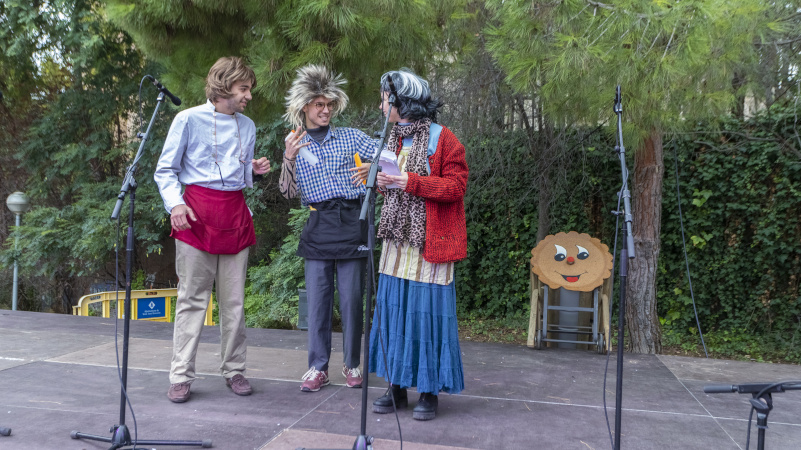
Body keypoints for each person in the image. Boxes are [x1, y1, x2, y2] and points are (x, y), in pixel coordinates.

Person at [154, 56, 271, 403]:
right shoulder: (187, 119)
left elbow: (239, 178)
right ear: (224, 86)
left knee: (234, 302)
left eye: (249, 89)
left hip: (233, 213)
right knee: (192, 299)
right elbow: (165, 170)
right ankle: (180, 375)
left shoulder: (248, 126)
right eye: (244, 88)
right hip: (195, 214)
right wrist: (175, 204)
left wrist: (253, 170)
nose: (249, 95)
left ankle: (234, 370)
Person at [356, 68, 468, 421]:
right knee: (393, 313)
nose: (380, 105)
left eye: (384, 99)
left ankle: (430, 392)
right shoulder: (390, 140)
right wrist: (377, 180)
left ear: (401, 101)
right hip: (396, 244)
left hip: (429, 245)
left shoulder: (444, 139)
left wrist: (410, 182)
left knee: (426, 317)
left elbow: (455, 188)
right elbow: (396, 183)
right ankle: (397, 386)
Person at [279, 65, 376, 392]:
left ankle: (352, 364)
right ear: (305, 106)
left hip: (351, 223)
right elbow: (289, 193)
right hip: (319, 225)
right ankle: (317, 368)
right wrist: (288, 161)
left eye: (329, 104)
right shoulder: (295, 143)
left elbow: (385, 154)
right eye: (319, 104)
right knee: (318, 302)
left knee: (351, 301)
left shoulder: (349, 137)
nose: (325, 110)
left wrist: (370, 172)